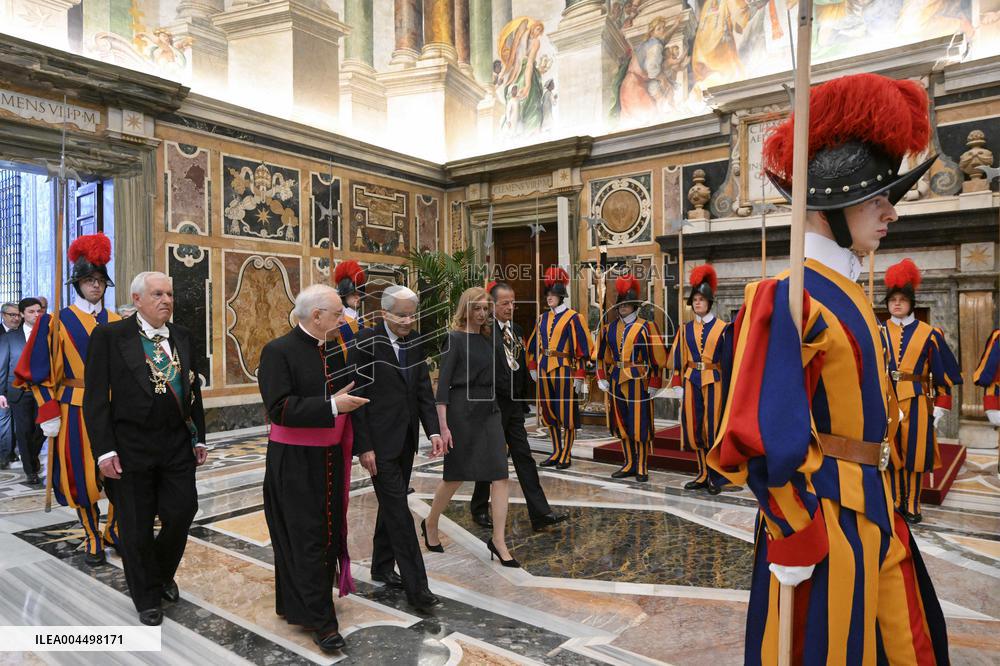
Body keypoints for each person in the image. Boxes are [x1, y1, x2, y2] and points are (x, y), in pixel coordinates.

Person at [708, 73, 949, 663]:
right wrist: (794, 530)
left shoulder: (846, 288)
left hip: (874, 507)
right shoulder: (791, 296)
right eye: (878, 196)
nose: (891, 211)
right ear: (836, 204)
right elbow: (758, 433)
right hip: (825, 521)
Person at [83, 271, 207, 627]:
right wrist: (104, 451)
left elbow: (192, 389)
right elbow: (95, 400)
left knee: (183, 510)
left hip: (176, 445)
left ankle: (159, 573)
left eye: (169, 293)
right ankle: (147, 597)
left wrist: (199, 436)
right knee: (136, 526)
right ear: (137, 299)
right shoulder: (109, 336)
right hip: (129, 447)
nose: (166, 300)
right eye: (157, 294)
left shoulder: (182, 335)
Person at [256, 284, 369, 653]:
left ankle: (304, 605)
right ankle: (323, 622)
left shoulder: (334, 349)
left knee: (326, 533)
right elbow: (280, 408)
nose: (343, 319)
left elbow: (350, 400)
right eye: (338, 313)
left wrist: (361, 442)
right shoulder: (277, 351)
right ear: (316, 315)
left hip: (329, 459)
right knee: (304, 537)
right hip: (294, 462)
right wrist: (332, 407)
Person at [16, 233, 122, 566]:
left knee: (123, 471)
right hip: (73, 408)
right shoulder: (55, 322)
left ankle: (114, 530)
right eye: (89, 280)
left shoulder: (119, 320)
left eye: (100, 280)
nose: (96, 286)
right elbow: (38, 371)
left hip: (115, 408)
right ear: (77, 283)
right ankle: (92, 535)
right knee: (79, 475)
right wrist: (49, 409)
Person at [352, 285, 443, 613]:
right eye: (401, 314)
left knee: (392, 505)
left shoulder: (415, 341)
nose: (408, 320)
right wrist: (364, 447)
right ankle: (418, 589)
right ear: (385, 312)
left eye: (411, 314)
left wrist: (433, 430)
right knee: (401, 515)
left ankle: (380, 565)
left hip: (405, 440)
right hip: (378, 444)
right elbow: (357, 399)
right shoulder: (365, 343)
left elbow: (422, 390)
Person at [422, 287, 519, 567]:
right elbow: (442, 386)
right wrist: (443, 426)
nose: (482, 314)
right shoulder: (454, 339)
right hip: (461, 410)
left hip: (490, 409)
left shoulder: (492, 339)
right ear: (466, 309)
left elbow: (505, 372)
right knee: (455, 475)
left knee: (500, 474)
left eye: (486, 309)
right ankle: (431, 522)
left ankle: (498, 541)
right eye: (477, 308)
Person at [469, 282, 567, 531]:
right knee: (490, 457)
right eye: (505, 303)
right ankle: (479, 507)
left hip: (513, 406)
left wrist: (523, 400)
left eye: (513, 303)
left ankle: (540, 512)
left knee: (524, 456)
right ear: (492, 305)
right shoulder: (483, 332)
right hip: (492, 406)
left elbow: (520, 365)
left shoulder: (517, 329)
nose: (510, 307)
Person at [882, 259, 962, 523]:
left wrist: (941, 405)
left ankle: (913, 505)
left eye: (902, 299)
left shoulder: (930, 333)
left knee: (917, 454)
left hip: (917, 400)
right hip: (887, 399)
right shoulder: (879, 331)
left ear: (911, 302)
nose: (896, 304)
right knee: (891, 453)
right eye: (892, 299)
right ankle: (894, 502)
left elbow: (944, 374)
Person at [596, 275, 668, 482]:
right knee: (622, 423)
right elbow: (600, 357)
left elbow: (657, 359)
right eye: (621, 304)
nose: (623, 308)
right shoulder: (608, 329)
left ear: (635, 306)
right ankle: (628, 463)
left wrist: (655, 382)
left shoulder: (648, 326)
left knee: (640, 424)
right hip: (616, 379)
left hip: (639, 381)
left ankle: (642, 466)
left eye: (627, 304)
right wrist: (602, 377)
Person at [669, 265, 731, 494]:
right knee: (695, 428)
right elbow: (678, 359)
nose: (697, 303)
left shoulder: (724, 329)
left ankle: (716, 476)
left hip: (715, 380)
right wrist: (677, 384)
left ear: (709, 302)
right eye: (694, 299)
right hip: (691, 379)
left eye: (701, 299)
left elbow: (730, 361)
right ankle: (702, 473)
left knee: (712, 428)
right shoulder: (684, 330)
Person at [526, 267, 592, 469]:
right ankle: (556, 451)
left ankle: (566, 453)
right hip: (545, 368)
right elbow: (532, 345)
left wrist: (580, 375)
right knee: (549, 412)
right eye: (547, 294)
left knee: (566, 413)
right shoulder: (542, 318)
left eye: (553, 294)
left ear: (561, 296)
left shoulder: (574, 318)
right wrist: (533, 366)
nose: (549, 297)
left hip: (564, 369)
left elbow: (583, 349)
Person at [0, 298, 46, 484]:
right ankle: (30, 470)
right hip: (18, 390)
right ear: (22, 314)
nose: (36, 315)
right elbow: (2, 366)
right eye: (31, 312)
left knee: (41, 429)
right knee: (24, 430)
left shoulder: (47, 335)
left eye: (39, 311)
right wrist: (1, 392)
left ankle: (32, 457)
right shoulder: (10, 338)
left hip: (43, 390)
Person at [0, 302, 18, 467]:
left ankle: (11, 452)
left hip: (17, 386)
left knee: (14, 423)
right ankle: (4, 456)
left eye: (17, 315)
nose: (15, 318)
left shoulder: (21, 334)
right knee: (4, 420)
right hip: (1, 385)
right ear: (3, 315)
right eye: (11, 315)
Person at [973, 328, 1000, 426]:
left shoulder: (998, 336)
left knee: (995, 419)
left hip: (995, 391)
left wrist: (983, 379)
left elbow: (992, 361)